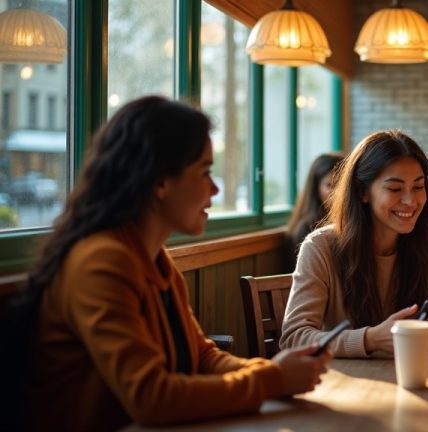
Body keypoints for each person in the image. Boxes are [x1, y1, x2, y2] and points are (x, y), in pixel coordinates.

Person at [1, 96, 330, 431]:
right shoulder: (101, 261)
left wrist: (275, 372)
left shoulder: (153, 256)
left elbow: (203, 356)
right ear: (160, 181)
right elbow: (150, 398)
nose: (215, 188)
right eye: (205, 171)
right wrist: (273, 379)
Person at [280, 129, 428, 357]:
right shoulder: (320, 247)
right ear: (362, 192)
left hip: (415, 373)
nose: (410, 200)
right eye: (395, 188)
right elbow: (294, 337)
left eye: (418, 186)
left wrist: (425, 337)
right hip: (341, 384)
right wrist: (370, 339)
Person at [284, 152, 344, 271]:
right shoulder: (306, 230)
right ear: (315, 188)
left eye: (342, 185)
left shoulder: (352, 220)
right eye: (330, 185)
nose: (337, 192)